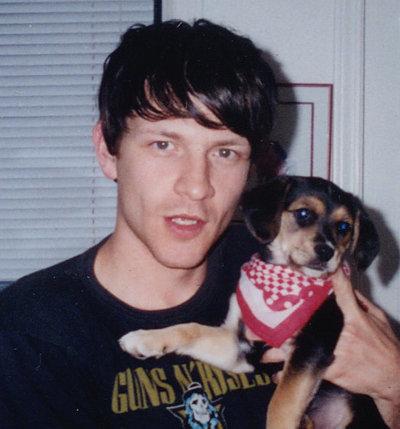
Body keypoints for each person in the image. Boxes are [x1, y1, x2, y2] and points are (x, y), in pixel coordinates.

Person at [0, 19, 398, 429]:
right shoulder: (33, 330)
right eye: (164, 144)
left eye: (225, 153)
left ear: (251, 169)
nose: (196, 186)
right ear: (107, 150)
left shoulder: (278, 268)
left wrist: (394, 382)